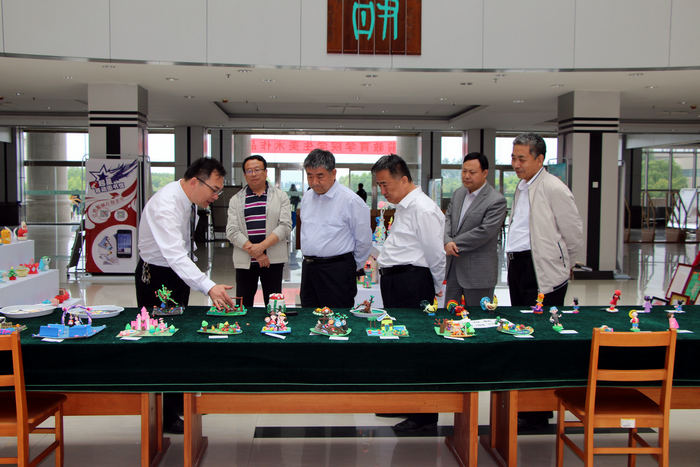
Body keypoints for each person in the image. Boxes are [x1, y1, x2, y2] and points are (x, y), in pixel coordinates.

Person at [135, 157, 235, 434]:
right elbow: (174, 255)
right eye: (214, 190)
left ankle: (177, 400)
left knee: (179, 338)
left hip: (175, 276)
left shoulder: (188, 201)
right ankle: (164, 416)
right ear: (194, 181)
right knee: (163, 344)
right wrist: (208, 285)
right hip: (159, 281)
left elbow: (184, 250)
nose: (215, 197)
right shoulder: (166, 205)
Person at [506, 132, 583, 429]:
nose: (515, 164)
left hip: (542, 269)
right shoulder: (522, 186)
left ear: (540, 159)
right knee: (524, 331)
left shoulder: (553, 187)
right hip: (520, 265)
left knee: (540, 337)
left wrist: (565, 264)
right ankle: (527, 404)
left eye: (521, 159)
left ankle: (538, 411)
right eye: (513, 158)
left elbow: (573, 231)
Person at [371, 154, 445, 433]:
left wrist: (436, 287)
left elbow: (435, 254)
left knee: (418, 348)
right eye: (379, 185)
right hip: (396, 281)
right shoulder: (403, 206)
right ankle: (405, 401)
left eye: (385, 184)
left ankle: (424, 416)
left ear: (403, 179)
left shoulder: (423, 209)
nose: (382, 191)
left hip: (413, 282)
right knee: (400, 343)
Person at [300, 149, 372, 308]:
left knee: (338, 317)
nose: (314, 182)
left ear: (333, 173)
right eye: (310, 176)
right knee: (308, 315)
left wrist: (351, 266)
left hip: (337, 271)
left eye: (320, 176)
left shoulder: (351, 201)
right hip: (309, 269)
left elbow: (364, 241)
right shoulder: (307, 198)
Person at [226, 155, 292, 308]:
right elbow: (232, 230)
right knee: (243, 304)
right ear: (245, 175)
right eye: (249, 171)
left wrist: (261, 248)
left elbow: (285, 226)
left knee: (274, 304)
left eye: (257, 170)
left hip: (272, 260)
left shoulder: (280, 196)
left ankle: (274, 323)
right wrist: (257, 253)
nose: (253, 174)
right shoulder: (236, 199)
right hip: (245, 260)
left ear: (265, 172)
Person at [444, 152, 507, 306]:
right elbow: (447, 219)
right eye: (464, 171)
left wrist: (453, 244)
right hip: (454, 270)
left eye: (472, 172)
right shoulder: (458, 194)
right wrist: (446, 241)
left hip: (478, 274)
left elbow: (485, 232)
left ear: (485, 173)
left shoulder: (496, 200)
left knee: (478, 317)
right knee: (450, 315)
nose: (466, 176)